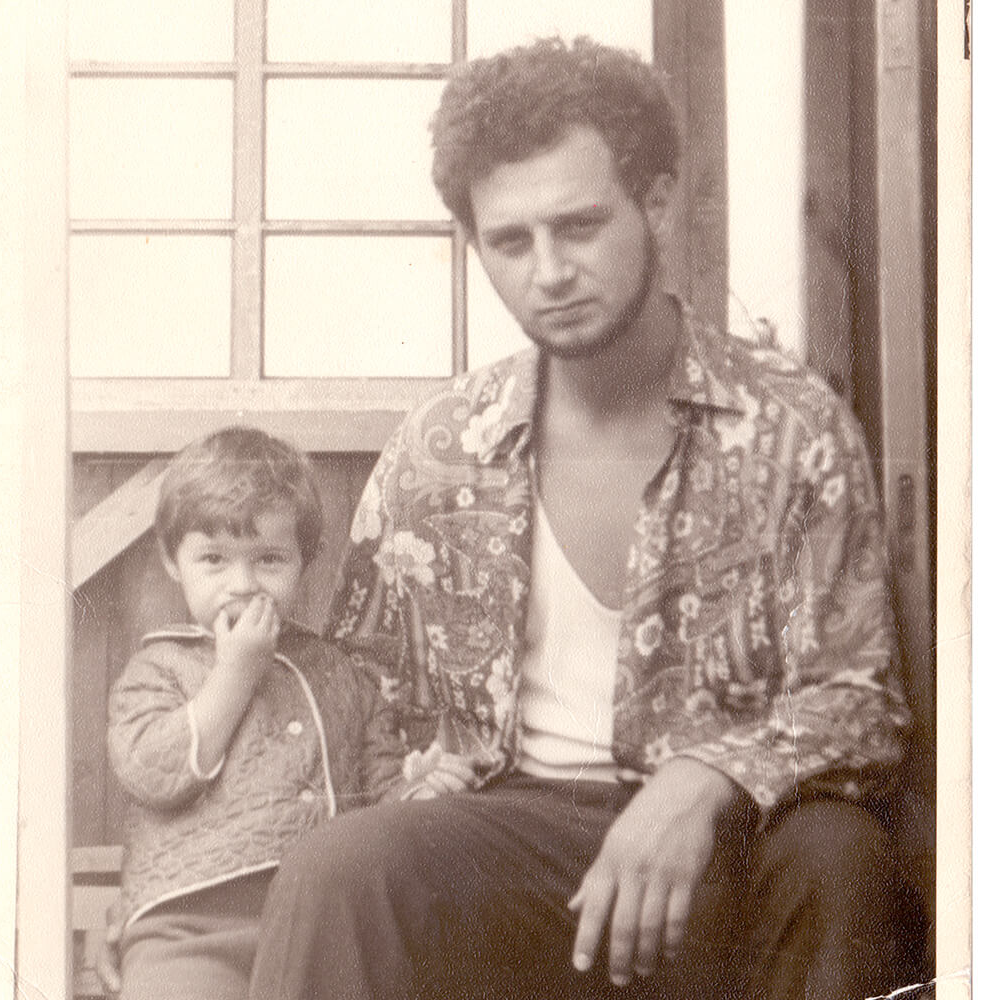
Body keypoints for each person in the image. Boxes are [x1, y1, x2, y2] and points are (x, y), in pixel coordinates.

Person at [244, 36, 925, 1000]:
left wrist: (702, 780)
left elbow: (860, 702)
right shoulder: (439, 448)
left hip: (727, 858)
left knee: (839, 856)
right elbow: (354, 700)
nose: (550, 271)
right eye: (511, 242)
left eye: (579, 226)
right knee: (340, 868)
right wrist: (402, 784)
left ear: (657, 204)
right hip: (517, 850)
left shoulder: (789, 426)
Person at [106, 426, 475, 1000]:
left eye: (270, 560)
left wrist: (417, 787)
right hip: (185, 926)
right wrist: (235, 673)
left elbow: (376, 798)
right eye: (214, 559)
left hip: (318, 925)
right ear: (173, 561)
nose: (243, 584)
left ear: (305, 561)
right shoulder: (160, 667)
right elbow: (152, 771)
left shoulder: (340, 673)